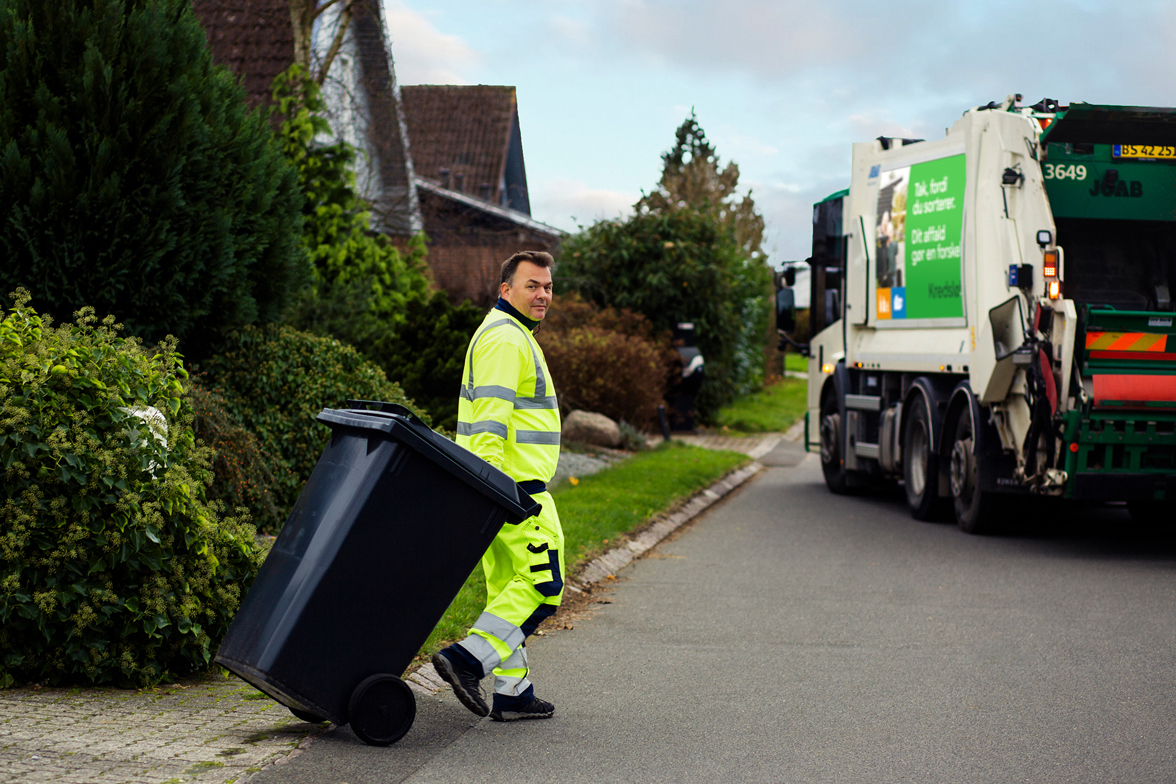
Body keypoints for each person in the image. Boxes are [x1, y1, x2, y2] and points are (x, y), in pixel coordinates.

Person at [432, 250, 565, 722]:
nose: (543, 294)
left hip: (500, 489)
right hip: (517, 492)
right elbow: (490, 420)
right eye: (532, 285)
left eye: (547, 286)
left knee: (509, 589)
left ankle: (513, 692)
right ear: (505, 290)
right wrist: (496, 488)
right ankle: (467, 661)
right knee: (543, 586)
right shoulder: (507, 340)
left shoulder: (507, 335)